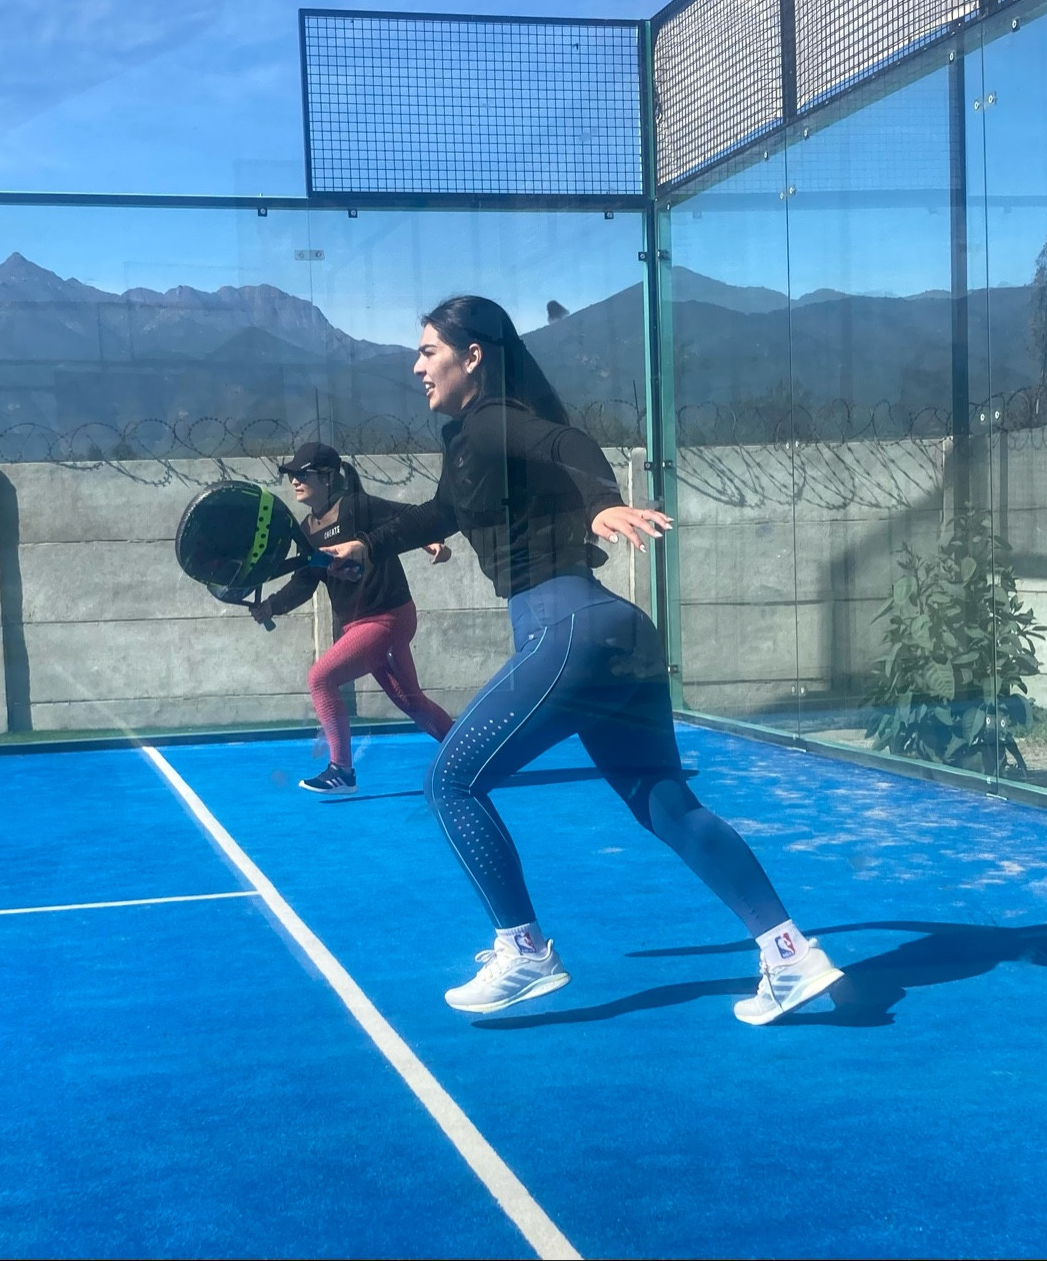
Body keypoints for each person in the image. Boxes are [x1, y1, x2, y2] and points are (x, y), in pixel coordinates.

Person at [323, 300, 842, 1025]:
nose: (417, 366)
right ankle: (791, 956)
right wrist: (368, 545)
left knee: (450, 782)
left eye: (429, 351)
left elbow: (565, 443)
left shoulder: (494, 420)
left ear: (473, 356)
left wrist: (601, 502)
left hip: (569, 630)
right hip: (614, 633)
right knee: (666, 803)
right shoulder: (471, 440)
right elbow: (441, 513)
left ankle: (525, 950)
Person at [252, 442, 454, 793]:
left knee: (321, 678)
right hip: (359, 627)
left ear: (328, 477)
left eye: (303, 474)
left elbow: (408, 518)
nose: (295, 481)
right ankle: (468, 750)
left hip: (388, 618)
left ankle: (342, 771)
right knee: (411, 701)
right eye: (292, 475)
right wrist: (271, 606)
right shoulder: (307, 531)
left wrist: (432, 542)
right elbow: (304, 582)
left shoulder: (357, 507)